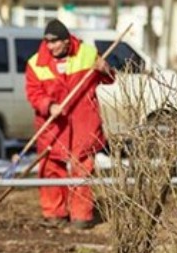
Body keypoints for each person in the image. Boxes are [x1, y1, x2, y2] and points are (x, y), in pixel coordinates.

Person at [25, 19, 113, 230]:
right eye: (47, 42)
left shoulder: (87, 54)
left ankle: (81, 217)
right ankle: (54, 214)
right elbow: (33, 93)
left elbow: (109, 79)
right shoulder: (35, 63)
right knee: (51, 168)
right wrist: (49, 105)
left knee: (82, 170)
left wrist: (105, 68)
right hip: (53, 127)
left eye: (55, 42)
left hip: (84, 124)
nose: (50, 47)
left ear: (66, 41)